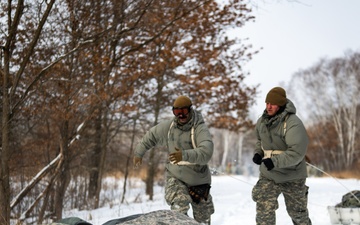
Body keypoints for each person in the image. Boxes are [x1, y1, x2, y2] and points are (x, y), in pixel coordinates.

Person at [133, 95, 215, 224]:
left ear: (190, 110)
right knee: (179, 208)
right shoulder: (170, 126)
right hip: (176, 175)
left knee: (202, 218)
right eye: (177, 112)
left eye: (184, 112)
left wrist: (184, 155)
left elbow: (206, 152)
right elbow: (151, 136)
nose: (180, 116)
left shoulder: (199, 128)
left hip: (198, 179)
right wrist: (139, 153)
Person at [251, 87, 312, 225]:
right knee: (263, 211)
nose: (268, 106)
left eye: (272, 104)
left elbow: (297, 152)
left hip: (293, 175)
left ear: (281, 104)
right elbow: (260, 141)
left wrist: (274, 161)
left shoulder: (293, 123)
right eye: (267, 103)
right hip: (269, 175)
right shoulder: (261, 122)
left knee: (298, 215)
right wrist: (258, 153)